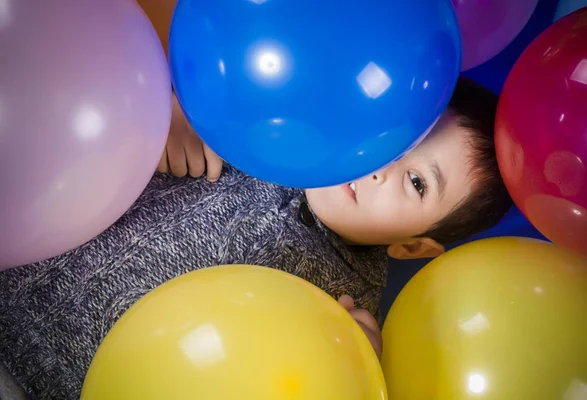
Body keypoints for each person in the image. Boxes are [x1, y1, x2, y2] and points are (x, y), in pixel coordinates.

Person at [0, 75, 512, 399]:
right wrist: (160, 113)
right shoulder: (254, 132)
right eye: (399, 138)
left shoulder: (345, 315)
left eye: (417, 183)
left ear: (412, 247)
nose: (380, 166)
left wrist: (348, 368)